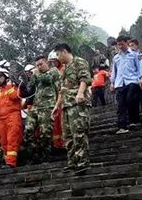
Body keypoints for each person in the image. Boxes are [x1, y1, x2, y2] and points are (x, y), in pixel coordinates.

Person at [52, 43, 91, 175]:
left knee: (79, 133)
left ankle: (82, 162)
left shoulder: (79, 62)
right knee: (67, 136)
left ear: (63, 51)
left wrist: (80, 93)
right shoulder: (64, 69)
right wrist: (57, 106)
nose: (57, 57)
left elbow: (85, 78)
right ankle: (72, 162)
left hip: (77, 104)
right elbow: (62, 90)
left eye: (58, 54)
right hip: (66, 106)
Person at [23, 55, 60, 163]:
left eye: (40, 64)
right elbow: (29, 87)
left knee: (45, 133)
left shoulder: (54, 71)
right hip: (35, 107)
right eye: (37, 65)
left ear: (46, 63)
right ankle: (34, 154)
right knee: (28, 131)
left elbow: (48, 79)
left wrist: (36, 73)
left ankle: (45, 157)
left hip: (47, 107)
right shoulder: (36, 75)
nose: (39, 67)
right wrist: (26, 79)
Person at [110, 35, 142, 134]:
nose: (120, 46)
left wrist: (141, 78)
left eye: (122, 44)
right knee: (121, 105)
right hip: (120, 83)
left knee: (131, 100)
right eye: (119, 45)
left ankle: (133, 120)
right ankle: (122, 126)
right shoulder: (116, 57)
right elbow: (114, 71)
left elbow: (139, 67)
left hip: (132, 80)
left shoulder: (134, 54)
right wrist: (112, 83)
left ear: (127, 42)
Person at [129, 38, 142, 122]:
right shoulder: (130, 58)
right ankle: (136, 118)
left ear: (137, 45)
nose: (131, 47)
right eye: (129, 46)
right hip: (134, 81)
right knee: (135, 100)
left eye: (132, 45)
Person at [48, 50, 65, 150]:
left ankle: (64, 142)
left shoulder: (64, 68)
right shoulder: (52, 72)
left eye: (55, 61)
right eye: (52, 62)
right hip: (55, 99)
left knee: (63, 122)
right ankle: (57, 144)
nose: (53, 63)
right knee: (56, 123)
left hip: (64, 97)